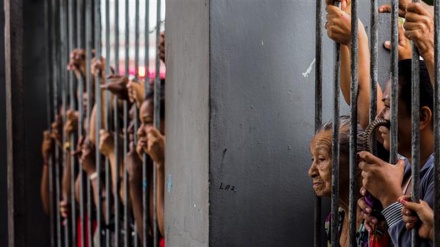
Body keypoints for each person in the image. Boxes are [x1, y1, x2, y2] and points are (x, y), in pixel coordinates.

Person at [308, 116, 366, 247]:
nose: (311, 172)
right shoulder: (335, 219)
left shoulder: (376, 221)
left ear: (357, 161)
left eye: (321, 159)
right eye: (313, 160)